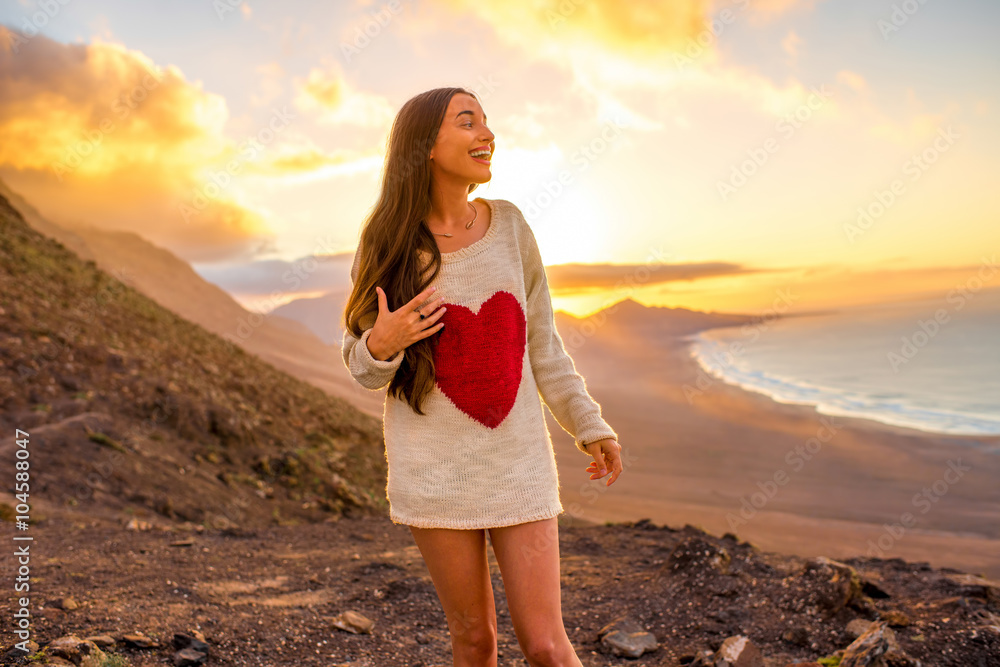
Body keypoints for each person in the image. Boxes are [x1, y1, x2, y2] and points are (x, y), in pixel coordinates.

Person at [341, 86, 623, 667]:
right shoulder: (388, 242)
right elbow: (361, 367)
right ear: (424, 146)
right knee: (474, 641)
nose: (486, 134)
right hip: (434, 474)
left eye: (487, 121)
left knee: (546, 645)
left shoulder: (511, 226)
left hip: (520, 466)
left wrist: (589, 424)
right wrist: (383, 344)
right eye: (467, 121)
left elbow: (542, 345)